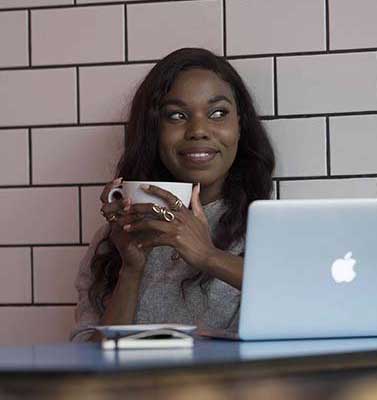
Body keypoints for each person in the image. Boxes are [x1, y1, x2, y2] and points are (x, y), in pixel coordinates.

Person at [70, 48, 275, 342]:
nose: (198, 130)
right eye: (177, 115)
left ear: (240, 126)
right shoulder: (113, 242)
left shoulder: (265, 230)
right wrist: (131, 269)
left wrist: (208, 256)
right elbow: (91, 363)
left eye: (218, 113)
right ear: (155, 130)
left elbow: (303, 301)